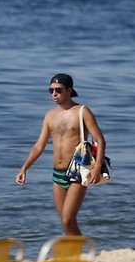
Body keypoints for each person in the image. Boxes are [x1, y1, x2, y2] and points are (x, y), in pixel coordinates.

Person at [15, 73, 105, 236]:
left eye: (58, 90)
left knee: (67, 219)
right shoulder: (50, 115)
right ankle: (76, 250)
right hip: (57, 174)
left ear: (69, 90)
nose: (54, 94)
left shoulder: (82, 111)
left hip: (77, 171)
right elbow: (39, 145)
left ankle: (79, 249)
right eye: (51, 90)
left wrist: (97, 168)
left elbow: (100, 140)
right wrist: (24, 168)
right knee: (66, 221)